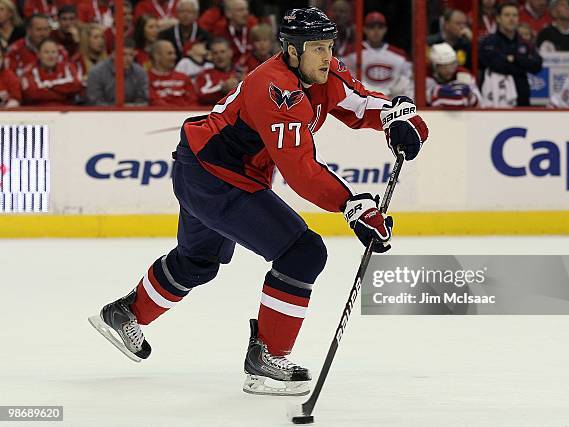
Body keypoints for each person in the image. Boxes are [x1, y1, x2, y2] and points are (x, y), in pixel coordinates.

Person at [88, 7, 428, 397]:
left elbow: (358, 104)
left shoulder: (324, 71)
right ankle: (267, 357)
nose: (327, 56)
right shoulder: (274, 88)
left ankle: (125, 314)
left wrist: (393, 117)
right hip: (216, 177)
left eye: (329, 46)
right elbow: (300, 170)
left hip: (203, 167)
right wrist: (353, 206)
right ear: (293, 51)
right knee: (303, 252)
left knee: (198, 261)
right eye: (317, 48)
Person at [479, 1, 543, 106]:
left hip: (521, 97)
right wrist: (522, 64)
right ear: (498, 18)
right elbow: (496, 65)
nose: (512, 19)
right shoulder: (489, 42)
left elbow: (537, 65)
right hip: (495, 98)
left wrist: (514, 58)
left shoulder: (525, 43)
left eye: (515, 15)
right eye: (507, 15)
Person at [342, 12, 413, 98]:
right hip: (363, 101)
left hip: (391, 102)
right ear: (364, 29)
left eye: (380, 27)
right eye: (371, 27)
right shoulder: (351, 53)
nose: (376, 31)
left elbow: (408, 81)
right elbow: (344, 79)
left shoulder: (400, 56)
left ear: (385, 29)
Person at [86, 37, 148, 105]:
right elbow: (95, 102)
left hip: (132, 113)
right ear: (113, 54)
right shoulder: (96, 73)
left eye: (131, 55)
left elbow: (143, 100)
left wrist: (128, 109)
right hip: (104, 114)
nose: (128, 59)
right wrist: (119, 111)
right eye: (123, 54)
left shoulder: (140, 72)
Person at [21, 38, 82, 106]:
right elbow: (32, 93)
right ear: (38, 54)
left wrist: (49, 85)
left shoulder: (68, 67)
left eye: (53, 52)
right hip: (38, 112)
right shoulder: (29, 70)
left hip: (66, 112)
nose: (51, 56)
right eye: (46, 52)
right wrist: (63, 94)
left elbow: (76, 86)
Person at [427, 42, 482, 108]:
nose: (450, 70)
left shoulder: (463, 74)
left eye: (453, 64)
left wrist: (470, 95)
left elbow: (479, 103)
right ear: (435, 66)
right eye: (445, 66)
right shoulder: (425, 76)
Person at [207, 0, 257, 66]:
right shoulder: (220, 31)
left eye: (246, 9)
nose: (245, 13)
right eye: (240, 10)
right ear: (228, 14)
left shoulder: (254, 27)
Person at [194, 36, 241, 105]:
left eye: (222, 52)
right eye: (215, 53)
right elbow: (200, 96)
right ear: (211, 56)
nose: (219, 56)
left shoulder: (241, 73)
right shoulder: (204, 75)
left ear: (230, 53)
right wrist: (222, 89)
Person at [148, 39, 196, 106]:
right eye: (169, 53)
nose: (174, 57)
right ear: (157, 56)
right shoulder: (146, 78)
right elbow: (154, 102)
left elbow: (193, 103)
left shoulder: (184, 77)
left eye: (174, 53)